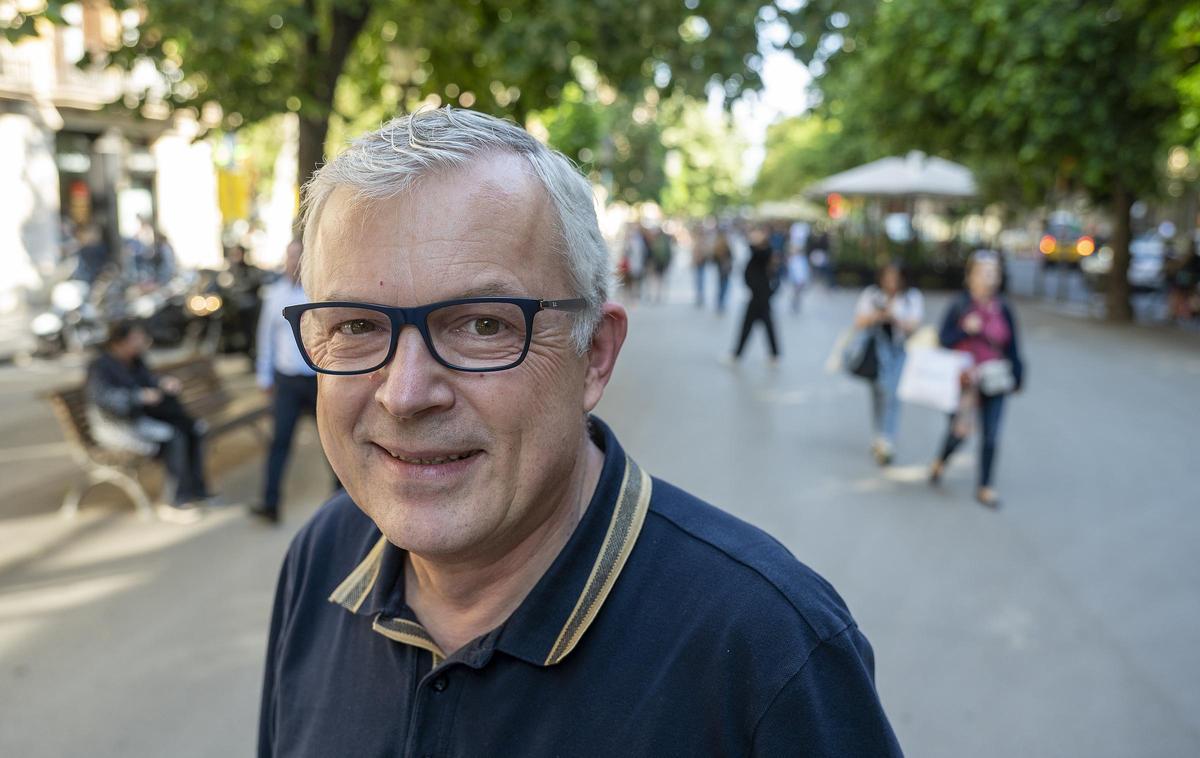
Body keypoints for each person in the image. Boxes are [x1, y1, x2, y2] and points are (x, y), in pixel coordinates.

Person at [257, 108, 900, 757]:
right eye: (356, 327)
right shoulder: (323, 557)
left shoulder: (771, 651)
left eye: (483, 325)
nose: (405, 393)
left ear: (594, 355)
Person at [86, 319, 211, 522]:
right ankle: (174, 501)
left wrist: (162, 383)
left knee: (193, 429)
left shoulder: (135, 360)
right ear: (119, 342)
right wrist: (138, 396)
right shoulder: (100, 366)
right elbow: (105, 398)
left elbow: (149, 380)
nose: (142, 341)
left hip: (141, 418)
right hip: (117, 427)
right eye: (137, 338)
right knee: (173, 437)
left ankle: (198, 491)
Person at [929, 251, 1025, 508]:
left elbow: (1013, 345)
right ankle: (941, 460)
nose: (990, 277)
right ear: (971, 276)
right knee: (959, 432)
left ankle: (985, 486)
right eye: (984, 271)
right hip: (963, 382)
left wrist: (1018, 375)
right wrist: (964, 328)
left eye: (994, 272)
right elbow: (942, 340)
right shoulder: (960, 306)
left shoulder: (1003, 308)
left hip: (994, 378)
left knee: (992, 435)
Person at [250, 238, 331, 524]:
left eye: (300, 255)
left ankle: (340, 503)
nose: (294, 261)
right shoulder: (274, 295)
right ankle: (269, 503)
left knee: (331, 440)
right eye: (291, 255)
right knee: (279, 441)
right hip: (286, 381)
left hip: (317, 380)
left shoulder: (318, 293)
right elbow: (265, 339)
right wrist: (265, 376)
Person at [853, 262, 924, 465]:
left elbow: (914, 326)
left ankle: (887, 439)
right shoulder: (872, 295)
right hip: (875, 351)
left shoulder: (911, 297)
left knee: (893, 393)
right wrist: (878, 315)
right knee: (877, 393)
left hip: (900, 350)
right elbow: (858, 321)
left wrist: (895, 317)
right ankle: (879, 435)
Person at [727, 227, 781, 363]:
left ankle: (737, 354)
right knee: (765, 325)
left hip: (759, 296)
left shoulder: (764, 252)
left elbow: (759, 253)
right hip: (758, 296)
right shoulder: (760, 252)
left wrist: (757, 241)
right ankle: (774, 354)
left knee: (750, 325)